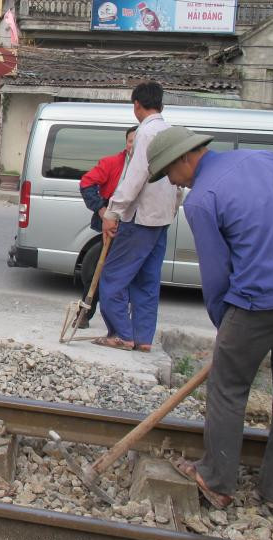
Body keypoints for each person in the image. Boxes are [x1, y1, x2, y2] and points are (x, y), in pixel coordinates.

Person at [147, 126, 273, 509]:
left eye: (168, 173)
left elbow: (216, 277)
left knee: (227, 389)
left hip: (256, 305)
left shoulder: (201, 200)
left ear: (185, 158)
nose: (171, 183)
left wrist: (225, 327)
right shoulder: (266, 159)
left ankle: (216, 480)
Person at [95, 81, 178, 352]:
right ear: (161, 105)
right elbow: (178, 184)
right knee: (147, 281)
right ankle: (142, 338)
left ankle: (121, 334)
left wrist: (113, 211)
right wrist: (172, 209)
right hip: (161, 219)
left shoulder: (145, 133)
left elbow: (135, 176)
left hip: (140, 219)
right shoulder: (170, 132)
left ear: (137, 106)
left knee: (113, 277)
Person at [76, 126, 136, 327]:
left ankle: (124, 322)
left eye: (137, 141)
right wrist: (103, 213)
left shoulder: (149, 166)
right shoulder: (112, 163)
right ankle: (84, 314)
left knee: (131, 275)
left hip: (136, 227)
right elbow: (86, 183)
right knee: (97, 271)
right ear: (125, 142)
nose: (133, 145)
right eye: (130, 141)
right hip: (112, 226)